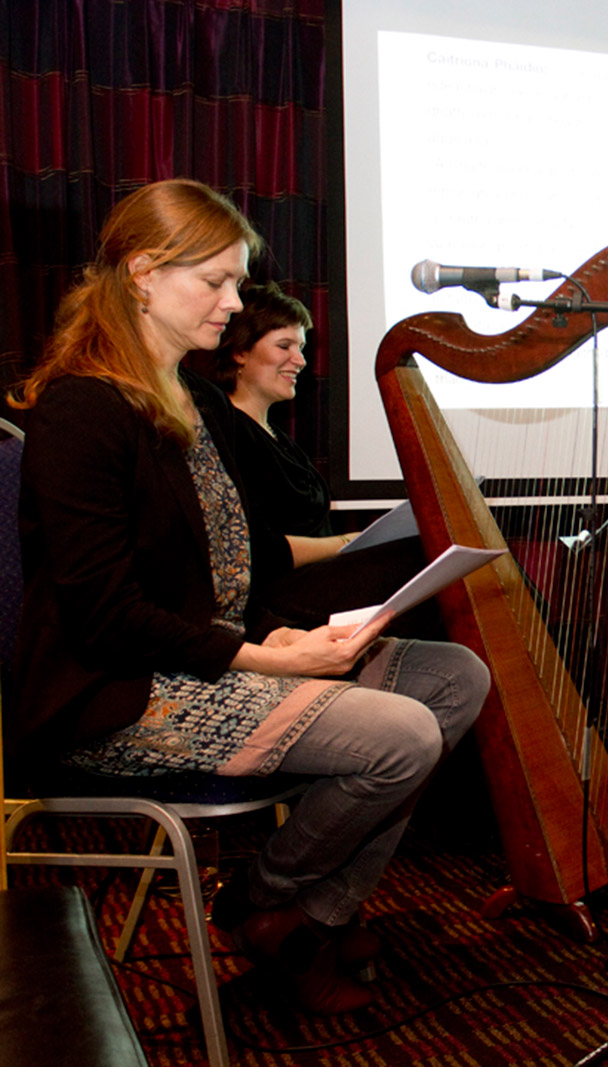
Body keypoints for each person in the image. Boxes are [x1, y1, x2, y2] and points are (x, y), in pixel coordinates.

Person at [6, 179, 491, 1014]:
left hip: (211, 662)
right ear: (143, 274)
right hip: (124, 695)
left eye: (236, 281)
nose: (234, 302)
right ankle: (265, 903)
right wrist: (265, 657)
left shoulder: (193, 397)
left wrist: (295, 632)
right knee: (404, 734)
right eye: (216, 281)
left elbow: (232, 569)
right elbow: (105, 615)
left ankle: (307, 913)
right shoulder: (81, 408)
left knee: (455, 677)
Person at [184, 282, 433, 631]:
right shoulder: (226, 433)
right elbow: (260, 550)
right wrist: (347, 543)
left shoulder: (278, 437)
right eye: (284, 345)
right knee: (420, 557)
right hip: (275, 596)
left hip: (317, 580)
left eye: (300, 347)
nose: (300, 360)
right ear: (240, 351)